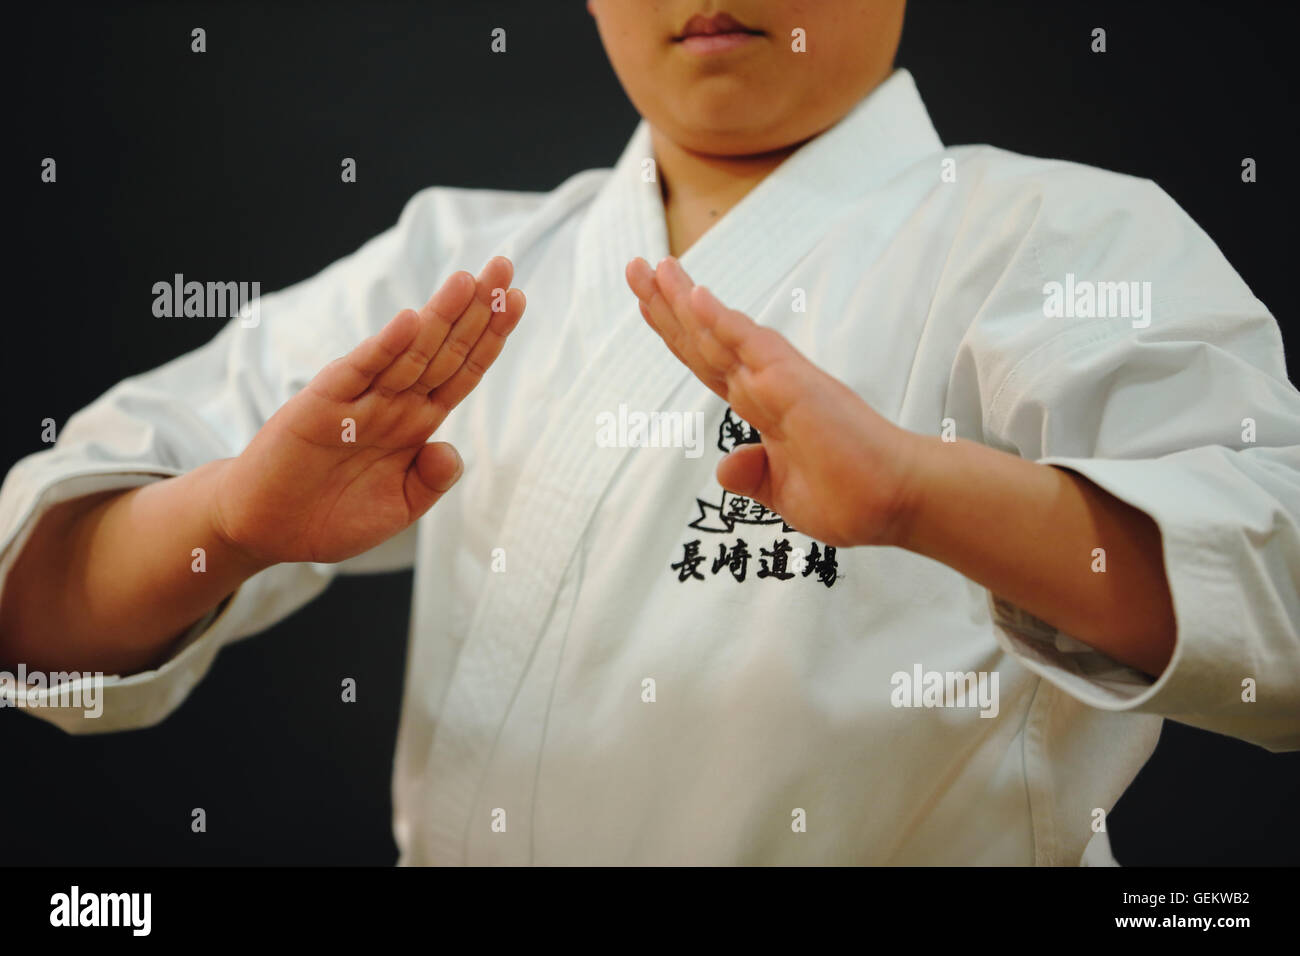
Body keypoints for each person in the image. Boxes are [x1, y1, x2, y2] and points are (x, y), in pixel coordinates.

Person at [1, 1, 1297, 865]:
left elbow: (1283, 600)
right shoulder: (464, 267)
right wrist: (224, 524)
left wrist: (925, 499)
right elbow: (37, 612)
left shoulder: (1054, 242)